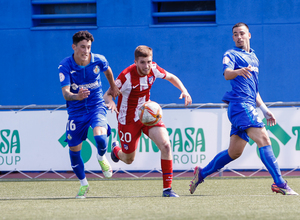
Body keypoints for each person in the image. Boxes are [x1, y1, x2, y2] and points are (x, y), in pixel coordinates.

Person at [189, 22, 298, 196]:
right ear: (233, 37)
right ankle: (280, 183)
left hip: (247, 105)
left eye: (241, 33)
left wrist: (264, 109)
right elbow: (227, 74)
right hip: (241, 105)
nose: (238, 37)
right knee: (264, 138)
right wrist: (237, 71)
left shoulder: (254, 58)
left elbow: (254, 89)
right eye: (235, 34)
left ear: (249, 35)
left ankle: (201, 173)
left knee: (234, 152)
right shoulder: (231, 54)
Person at [105, 45, 192, 197]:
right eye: (142, 62)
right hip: (128, 120)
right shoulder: (126, 76)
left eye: (149, 62)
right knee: (128, 159)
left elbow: (171, 77)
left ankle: (167, 190)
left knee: (166, 145)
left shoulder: (154, 68)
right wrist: (110, 101)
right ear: (135, 62)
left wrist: (184, 90)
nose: (146, 66)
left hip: (147, 115)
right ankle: (116, 151)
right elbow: (108, 94)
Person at [58, 30, 120, 199]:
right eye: (82, 47)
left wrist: (113, 86)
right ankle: (84, 184)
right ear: (74, 47)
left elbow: (107, 70)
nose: (86, 51)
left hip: (95, 106)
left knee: (100, 138)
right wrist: (76, 96)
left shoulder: (99, 59)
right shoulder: (65, 66)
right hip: (76, 113)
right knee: (74, 151)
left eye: (89, 47)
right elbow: (65, 93)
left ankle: (101, 157)